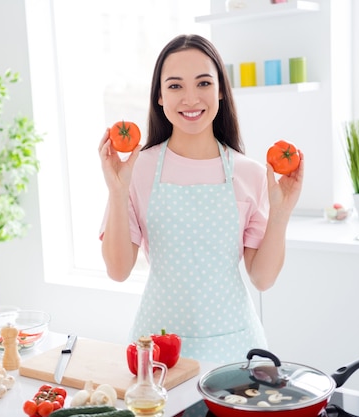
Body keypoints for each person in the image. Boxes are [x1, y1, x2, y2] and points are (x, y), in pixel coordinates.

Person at [98, 34, 304, 364]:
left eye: (203, 83)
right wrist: (117, 191)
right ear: (160, 97)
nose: (191, 98)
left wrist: (281, 214)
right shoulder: (137, 169)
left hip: (234, 347)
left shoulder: (249, 173)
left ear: (220, 90)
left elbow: (262, 278)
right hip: (158, 350)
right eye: (176, 86)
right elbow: (118, 270)